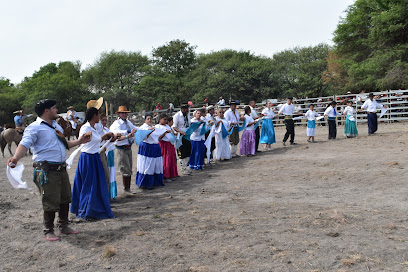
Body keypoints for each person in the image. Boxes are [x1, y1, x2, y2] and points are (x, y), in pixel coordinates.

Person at [7, 99, 91, 241]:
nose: (56, 110)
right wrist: (15, 158)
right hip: (46, 170)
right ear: (46, 111)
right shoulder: (34, 128)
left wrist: (79, 141)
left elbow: (66, 144)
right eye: (54, 108)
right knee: (50, 200)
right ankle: (49, 230)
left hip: (61, 168)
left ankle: (63, 226)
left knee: (65, 198)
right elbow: (24, 144)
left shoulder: (56, 128)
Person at [71, 107, 115, 220]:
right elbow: (84, 141)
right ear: (94, 116)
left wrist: (106, 137)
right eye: (98, 115)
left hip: (95, 157)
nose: (99, 118)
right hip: (88, 158)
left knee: (96, 184)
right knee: (88, 185)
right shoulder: (85, 128)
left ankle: (95, 208)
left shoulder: (94, 128)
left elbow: (96, 141)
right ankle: (86, 210)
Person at [110, 106, 138, 193]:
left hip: (128, 146)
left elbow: (135, 128)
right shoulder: (116, 123)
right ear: (119, 114)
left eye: (125, 113)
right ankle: (126, 188)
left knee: (129, 168)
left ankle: (128, 187)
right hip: (121, 148)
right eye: (123, 113)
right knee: (125, 168)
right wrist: (127, 132)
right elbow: (115, 132)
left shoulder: (128, 122)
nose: (125, 114)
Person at [136, 114, 165, 189]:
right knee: (148, 164)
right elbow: (144, 137)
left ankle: (156, 181)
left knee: (156, 164)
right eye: (148, 119)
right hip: (147, 146)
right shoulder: (143, 127)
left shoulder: (154, 127)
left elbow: (158, 137)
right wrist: (150, 131)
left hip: (155, 146)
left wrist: (164, 132)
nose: (150, 120)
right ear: (145, 120)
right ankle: (146, 183)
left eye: (151, 119)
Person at [156, 114, 179, 182]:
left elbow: (171, 133)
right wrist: (165, 133)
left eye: (166, 120)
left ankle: (172, 174)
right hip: (163, 144)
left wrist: (175, 134)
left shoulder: (167, 126)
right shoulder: (157, 127)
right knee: (166, 160)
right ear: (160, 119)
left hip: (170, 143)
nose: (166, 121)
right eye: (164, 119)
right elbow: (158, 138)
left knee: (171, 159)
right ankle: (165, 175)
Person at [101, 114, 118, 199]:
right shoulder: (100, 131)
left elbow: (112, 140)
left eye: (105, 120)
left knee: (111, 174)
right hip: (105, 153)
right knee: (106, 174)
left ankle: (111, 195)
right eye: (102, 120)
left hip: (110, 151)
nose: (104, 122)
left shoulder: (106, 129)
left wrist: (117, 137)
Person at [172, 104, 191, 175]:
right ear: (182, 109)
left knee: (188, 151)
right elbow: (174, 127)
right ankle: (183, 168)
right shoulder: (177, 116)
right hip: (180, 136)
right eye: (186, 109)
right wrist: (180, 132)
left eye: (188, 108)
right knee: (182, 152)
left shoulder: (188, 115)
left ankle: (186, 166)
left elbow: (188, 124)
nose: (187, 110)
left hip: (188, 135)